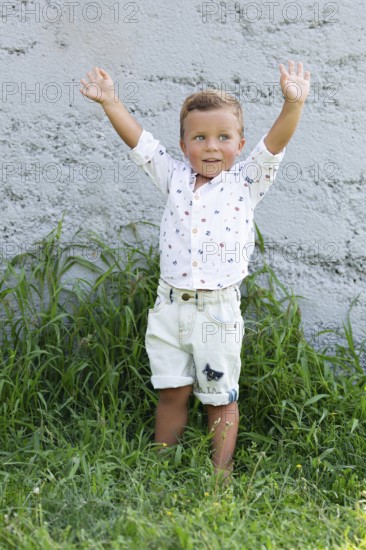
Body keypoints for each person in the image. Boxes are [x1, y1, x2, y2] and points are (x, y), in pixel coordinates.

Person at [79, 61, 310, 482]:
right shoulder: (174, 178)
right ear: (184, 144)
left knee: (219, 397)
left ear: (239, 144)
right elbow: (141, 144)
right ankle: (160, 466)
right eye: (199, 137)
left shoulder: (245, 182)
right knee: (172, 391)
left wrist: (292, 104)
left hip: (217, 313)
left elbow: (275, 145)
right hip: (169, 308)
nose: (211, 147)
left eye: (223, 137)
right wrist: (110, 102)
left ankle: (221, 476)